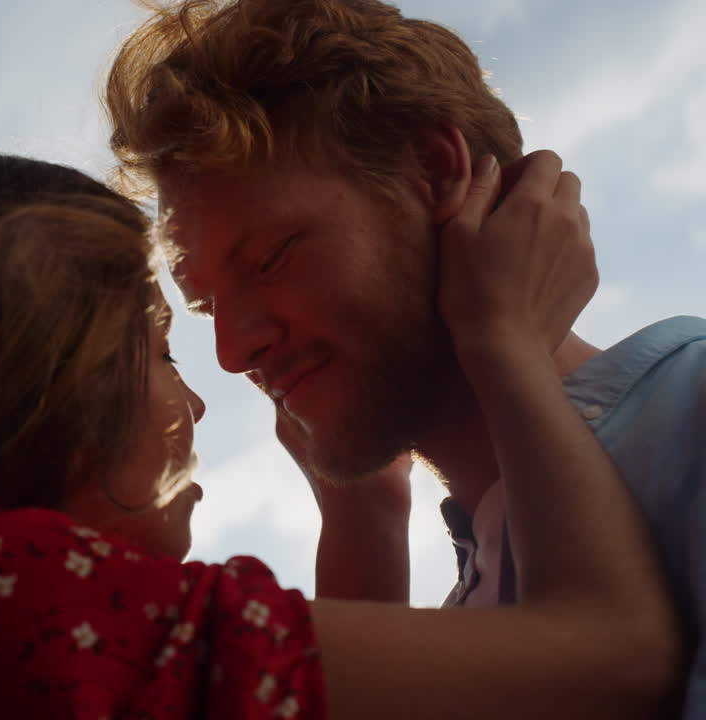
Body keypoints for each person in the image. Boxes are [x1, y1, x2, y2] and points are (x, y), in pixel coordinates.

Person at [0, 148, 680, 719]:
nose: (206, 387)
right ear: (42, 384)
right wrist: (499, 340)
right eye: (159, 346)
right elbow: (614, 654)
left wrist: (361, 513)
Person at [104, 0, 706, 713]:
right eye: (204, 308)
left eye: (273, 258)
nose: (233, 353)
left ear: (433, 169)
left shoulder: (692, 412)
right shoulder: (471, 630)